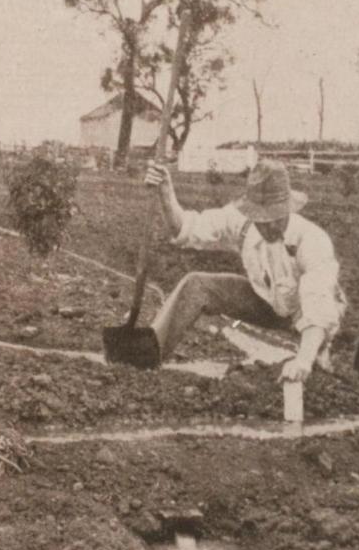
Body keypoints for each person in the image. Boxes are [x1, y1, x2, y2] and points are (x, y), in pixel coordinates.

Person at [143, 158, 347, 383]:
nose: (268, 226)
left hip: (308, 313)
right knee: (196, 285)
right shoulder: (242, 222)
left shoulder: (312, 240)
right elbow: (187, 229)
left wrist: (304, 360)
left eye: (275, 217)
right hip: (267, 301)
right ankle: (147, 356)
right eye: (261, 219)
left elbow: (318, 306)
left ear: (288, 208)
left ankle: (322, 351)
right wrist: (166, 194)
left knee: (316, 364)